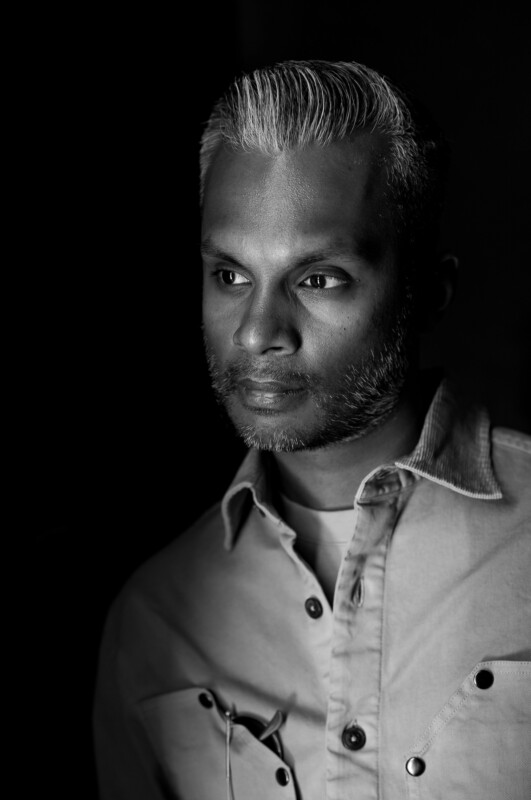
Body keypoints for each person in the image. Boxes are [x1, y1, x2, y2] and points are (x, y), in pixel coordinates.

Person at [93, 60, 531, 800]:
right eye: (230, 276)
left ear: (429, 292)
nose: (259, 331)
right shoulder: (154, 623)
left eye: (317, 278)